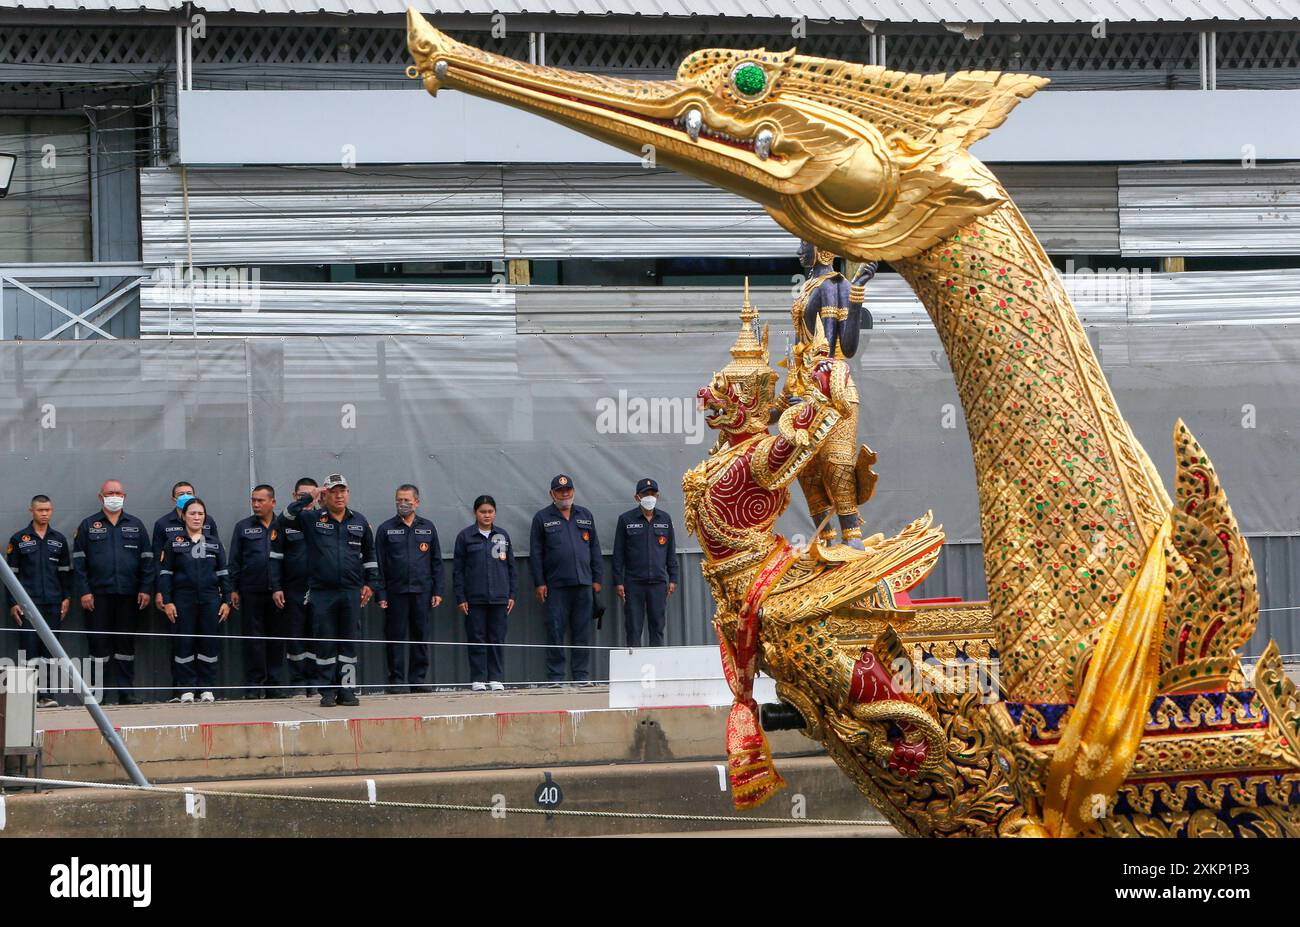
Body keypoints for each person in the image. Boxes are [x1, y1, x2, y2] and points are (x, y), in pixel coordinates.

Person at [278, 473, 378, 708]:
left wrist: (371, 584)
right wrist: (307, 498)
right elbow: (284, 519)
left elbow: (370, 555)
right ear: (325, 494)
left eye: (343, 490)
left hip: (351, 591)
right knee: (325, 642)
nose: (339, 495)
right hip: (322, 592)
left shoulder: (359, 521)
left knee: (348, 642)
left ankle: (347, 690)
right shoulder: (313, 519)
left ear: (348, 493)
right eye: (333, 491)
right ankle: (328, 691)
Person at [72, 480, 154, 705]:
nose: (114, 496)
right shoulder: (88, 525)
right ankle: (99, 694)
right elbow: (79, 564)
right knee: (99, 645)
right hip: (97, 597)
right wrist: (84, 592)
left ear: (124, 496)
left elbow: (147, 560)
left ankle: (126, 692)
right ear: (101, 497)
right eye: (110, 493)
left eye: (118, 493)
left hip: (129, 595)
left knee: (125, 645)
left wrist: (146, 589)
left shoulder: (136, 525)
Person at [529, 474, 602, 685]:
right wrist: (540, 583)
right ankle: (556, 677)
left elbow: (594, 548)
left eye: (568, 490)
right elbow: (536, 553)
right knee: (555, 631)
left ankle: (581, 676)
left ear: (573, 491)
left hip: (583, 584)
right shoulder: (542, 518)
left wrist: (597, 578)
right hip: (555, 586)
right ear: (552, 493)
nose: (565, 494)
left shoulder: (585, 515)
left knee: (582, 632)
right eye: (560, 491)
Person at [158, 497, 231, 703]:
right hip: (182, 600)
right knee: (184, 644)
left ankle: (206, 688)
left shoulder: (214, 543)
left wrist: (226, 600)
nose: (196, 517)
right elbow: (165, 574)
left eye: (200, 513)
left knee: (208, 644)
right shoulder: (173, 542)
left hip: (210, 600)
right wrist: (168, 601)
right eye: (192, 513)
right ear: (183, 516)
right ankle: (186, 689)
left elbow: (224, 573)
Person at [6, 495, 73, 707]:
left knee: (50, 652)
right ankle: (27, 698)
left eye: (48, 510)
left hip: (53, 603)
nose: (44, 513)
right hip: (28, 604)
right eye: (40, 510)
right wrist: (13, 602)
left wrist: (66, 598)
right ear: (31, 511)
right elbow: (11, 575)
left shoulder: (59, 539)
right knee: (29, 650)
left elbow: (65, 573)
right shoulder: (19, 539)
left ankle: (47, 696)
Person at [375, 484, 442, 693]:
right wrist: (381, 593)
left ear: (417, 502)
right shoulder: (386, 529)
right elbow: (379, 564)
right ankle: (396, 680)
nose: (402, 504)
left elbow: (436, 562)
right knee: (395, 637)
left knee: (420, 636)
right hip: (395, 593)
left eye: (407, 500)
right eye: (399, 500)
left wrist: (438, 591)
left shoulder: (428, 527)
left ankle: (418, 680)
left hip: (422, 592)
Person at [452, 495, 516, 692]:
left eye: (490, 512)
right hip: (475, 598)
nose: (487, 515)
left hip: (499, 597)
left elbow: (511, 568)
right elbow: (458, 570)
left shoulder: (502, 536)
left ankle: (495, 677)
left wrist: (511, 594)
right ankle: (478, 678)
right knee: (477, 637)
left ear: (495, 513)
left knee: (497, 638)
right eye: (483, 512)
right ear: (475, 513)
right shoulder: (465, 536)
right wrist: (461, 597)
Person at [229, 484, 285, 699]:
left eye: (261, 500)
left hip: (277, 592)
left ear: (273, 502)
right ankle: (253, 684)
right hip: (251, 590)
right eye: (253, 500)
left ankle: (274, 685)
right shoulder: (243, 527)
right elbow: (234, 560)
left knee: (276, 639)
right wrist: (233, 589)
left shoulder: (284, 525)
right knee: (253, 640)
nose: (256, 504)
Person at [611, 478, 678, 647]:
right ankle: (634, 669)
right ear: (637, 497)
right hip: (633, 584)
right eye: (645, 494)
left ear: (658, 495)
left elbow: (670, 551)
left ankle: (657, 668)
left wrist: (673, 578)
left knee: (657, 627)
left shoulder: (665, 519)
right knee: (633, 628)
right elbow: (618, 554)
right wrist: (618, 582)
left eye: (652, 494)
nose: (649, 497)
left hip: (658, 583)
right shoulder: (626, 520)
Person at [269, 476, 317, 696]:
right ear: (294, 497)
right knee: (296, 636)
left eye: (311, 495)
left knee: (319, 636)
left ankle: (316, 684)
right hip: (293, 589)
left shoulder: (324, 518)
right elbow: (275, 557)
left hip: (320, 590)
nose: (307, 499)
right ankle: (298, 682)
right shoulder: (285, 522)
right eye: (302, 496)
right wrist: (277, 587)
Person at [151, 480, 219, 610]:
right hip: (177, 589)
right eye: (181, 494)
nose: (185, 496)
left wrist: (220, 586)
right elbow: (158, 561)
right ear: (174, 499)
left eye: (189, 493)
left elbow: (217, 553)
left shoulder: (208, 520)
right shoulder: (162, 523)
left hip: (207, 588)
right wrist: (160, 590)